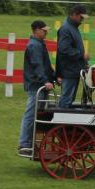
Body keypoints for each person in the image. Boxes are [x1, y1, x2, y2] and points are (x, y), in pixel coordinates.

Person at [18, 20, 55, 156]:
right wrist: (45, 81)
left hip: (39, 84)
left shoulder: (39, 44)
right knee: (31, 114)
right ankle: (24, 143)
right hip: (36, 85)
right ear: (37, 30)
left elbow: (46, 65)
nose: (46, 32)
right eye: (44, 30)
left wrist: (55, 77)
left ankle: (31, 143)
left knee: (36, 114)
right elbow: (37, 65)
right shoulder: (34, 46)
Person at [56, 4, 90, 108]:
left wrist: (84, 64)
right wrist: (81, 55)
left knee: (69, 99)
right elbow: (64, 49)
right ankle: (60, 119)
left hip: (74, 69)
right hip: (69, 70)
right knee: (66, 99)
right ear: (74, 15)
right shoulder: (66, 29)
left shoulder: (73, 27)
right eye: (81, 17)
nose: (82, 20)